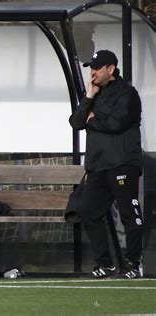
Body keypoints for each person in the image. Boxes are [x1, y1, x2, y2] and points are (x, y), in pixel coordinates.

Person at [69, 50, 144, 279]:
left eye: (97, 67)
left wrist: (93, 118)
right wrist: (89, 96)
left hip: (122, 164)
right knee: (88, 210)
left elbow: (116, 123)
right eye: (91, 67)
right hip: (98, 166)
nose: (92, 72)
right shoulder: (94, 93)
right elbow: (76, 121)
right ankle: (106, 264)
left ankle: (133, 264)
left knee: (128, 214)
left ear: (110, 69)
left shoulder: (127, 94)